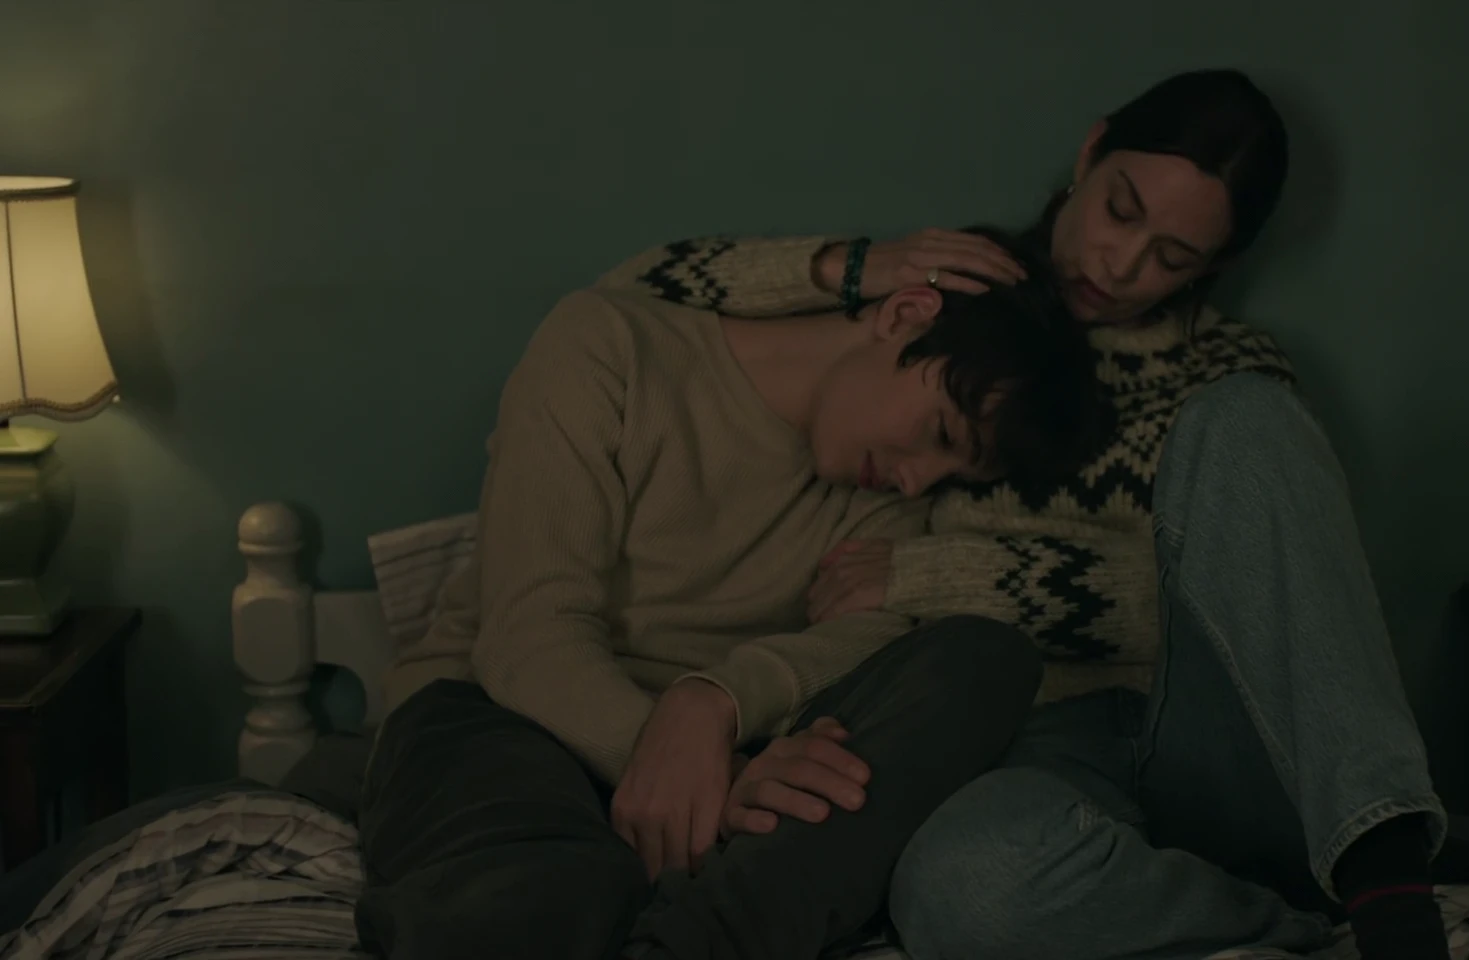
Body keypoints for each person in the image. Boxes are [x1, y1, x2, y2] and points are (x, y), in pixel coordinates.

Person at [594, 70, 1451, 960]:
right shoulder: (953, 302)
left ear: (1214, 268)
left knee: (1249, 416)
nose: (1120, 266)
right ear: (1090, 153)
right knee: (965, 887)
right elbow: (632, 301)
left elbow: (1269, 588)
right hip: (1034, 743)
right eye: (1121, 210)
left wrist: (950, 577)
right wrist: (852, 267)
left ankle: (1393, 896)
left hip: (1212, 727)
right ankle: (1301, 934)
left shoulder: (1227, 367)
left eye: (1172, 257)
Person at [355, 227, 1110, 960]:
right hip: (498, 715)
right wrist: (699, 772)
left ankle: (698, 942)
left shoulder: (888, 506)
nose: (918, 481)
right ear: (905, 313)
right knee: (543, 892)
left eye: (952, 476)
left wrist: (714, 703)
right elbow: (528, 638)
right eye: (941, 434)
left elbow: (867, 635)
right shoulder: (610, 343)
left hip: (721, 756)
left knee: (984, 657)